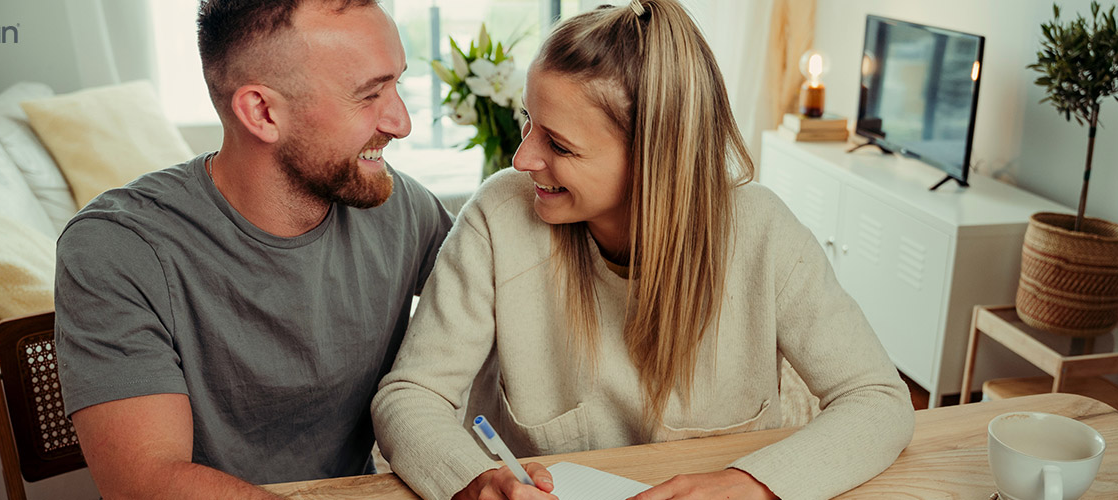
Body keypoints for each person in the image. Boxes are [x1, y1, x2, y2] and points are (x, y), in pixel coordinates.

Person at [370, 1, 914, 499]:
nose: (522, 158)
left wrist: (750, 485)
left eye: (558, 144)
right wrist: (474, 480)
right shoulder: (498, 218)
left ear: (656, 159)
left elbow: (878, 399)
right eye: (527, 121)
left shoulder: (762, 231)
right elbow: (410, 396)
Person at [53, 0, 451, 497]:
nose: (401, 122)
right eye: (369, 94)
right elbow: (146, 483)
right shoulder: (116, 249)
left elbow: (503, 307)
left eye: (398, 83)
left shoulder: (399, 207)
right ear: (262, 112)